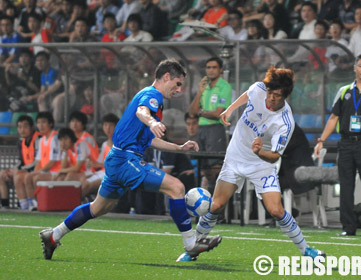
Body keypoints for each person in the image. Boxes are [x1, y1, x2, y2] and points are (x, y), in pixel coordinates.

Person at [39, 58, 222, 261]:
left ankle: (53, 235)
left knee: (98, 208)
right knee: (176, 187)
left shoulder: (152, 99)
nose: (179, 89)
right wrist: (152, 121)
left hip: (117, 159)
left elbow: (149, 140)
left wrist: (178, 147)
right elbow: (141, 111)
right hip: (126, 160)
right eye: (177, 84)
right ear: (167, 77)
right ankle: (191, 244)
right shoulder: (152, 95)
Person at [177, 66, 325, 262]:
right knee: (216, 206)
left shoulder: (285, 122)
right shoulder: (259, 89)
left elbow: (274, 156)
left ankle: (307, 251)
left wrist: (259, 152)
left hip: (261, 164)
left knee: (276, 211)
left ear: (285, 96)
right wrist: (230, 109)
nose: (271, 98)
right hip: (236, 155)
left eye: (277, 95)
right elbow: (247, 94)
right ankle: (191, 250)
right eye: (270, 93)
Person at [314, 54, 361, 237]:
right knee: (346, 186)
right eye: (360, 65)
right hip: (345, 143)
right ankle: (348, 227)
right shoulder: (344, 91)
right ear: (355, 68)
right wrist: (321, 140)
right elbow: (333, 118)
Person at [188, 57, 232, 193]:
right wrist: (200, 92)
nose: (211, 70)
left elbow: (218, 113)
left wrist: (200, 112)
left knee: (216, 166)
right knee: (205, 166)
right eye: (208, 67)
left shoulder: (225, 87)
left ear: (220, 70)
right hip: (202, 129)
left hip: (215, 129)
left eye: (214, 67)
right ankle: (205, 199)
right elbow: (192, 112)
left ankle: (218, 202)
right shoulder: (204, 87)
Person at [0, 115, 41, 209]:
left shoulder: (38, 139)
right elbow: (20, 161)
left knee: (18, 175)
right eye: (19, 127)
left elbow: (37, 161)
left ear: (32, 127)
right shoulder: (21, 142)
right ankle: (5, 205)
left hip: (34, 170)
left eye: (25, 126)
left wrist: (19, 170)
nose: (22, 130)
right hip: (25, 169)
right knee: (2, 174)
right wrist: (11, 170)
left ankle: (24, 204)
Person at [24, 111, 61, 211]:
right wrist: (35, 172)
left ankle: (40, 202)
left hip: (55, 171)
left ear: (50, 124)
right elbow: (39, 161)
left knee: (37, 178)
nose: (41, 125)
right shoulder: (41, 140)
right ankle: (32, 203)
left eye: (43, 122)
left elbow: (52, 161)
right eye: (39, 122)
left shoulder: (55, 137)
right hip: (45, 171)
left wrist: (38, 173)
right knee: (28, 177)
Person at [81, 113, 119, 199]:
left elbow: (118, 165)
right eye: (105, 125)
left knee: (87, 185)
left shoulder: (120, 144)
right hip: (102, 173)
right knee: (82, 179)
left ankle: (73, 206)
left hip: (112, 176)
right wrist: (93, 164)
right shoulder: (105, 144)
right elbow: (100, 163)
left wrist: (100, 165)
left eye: (111, 125)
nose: (108, 128)